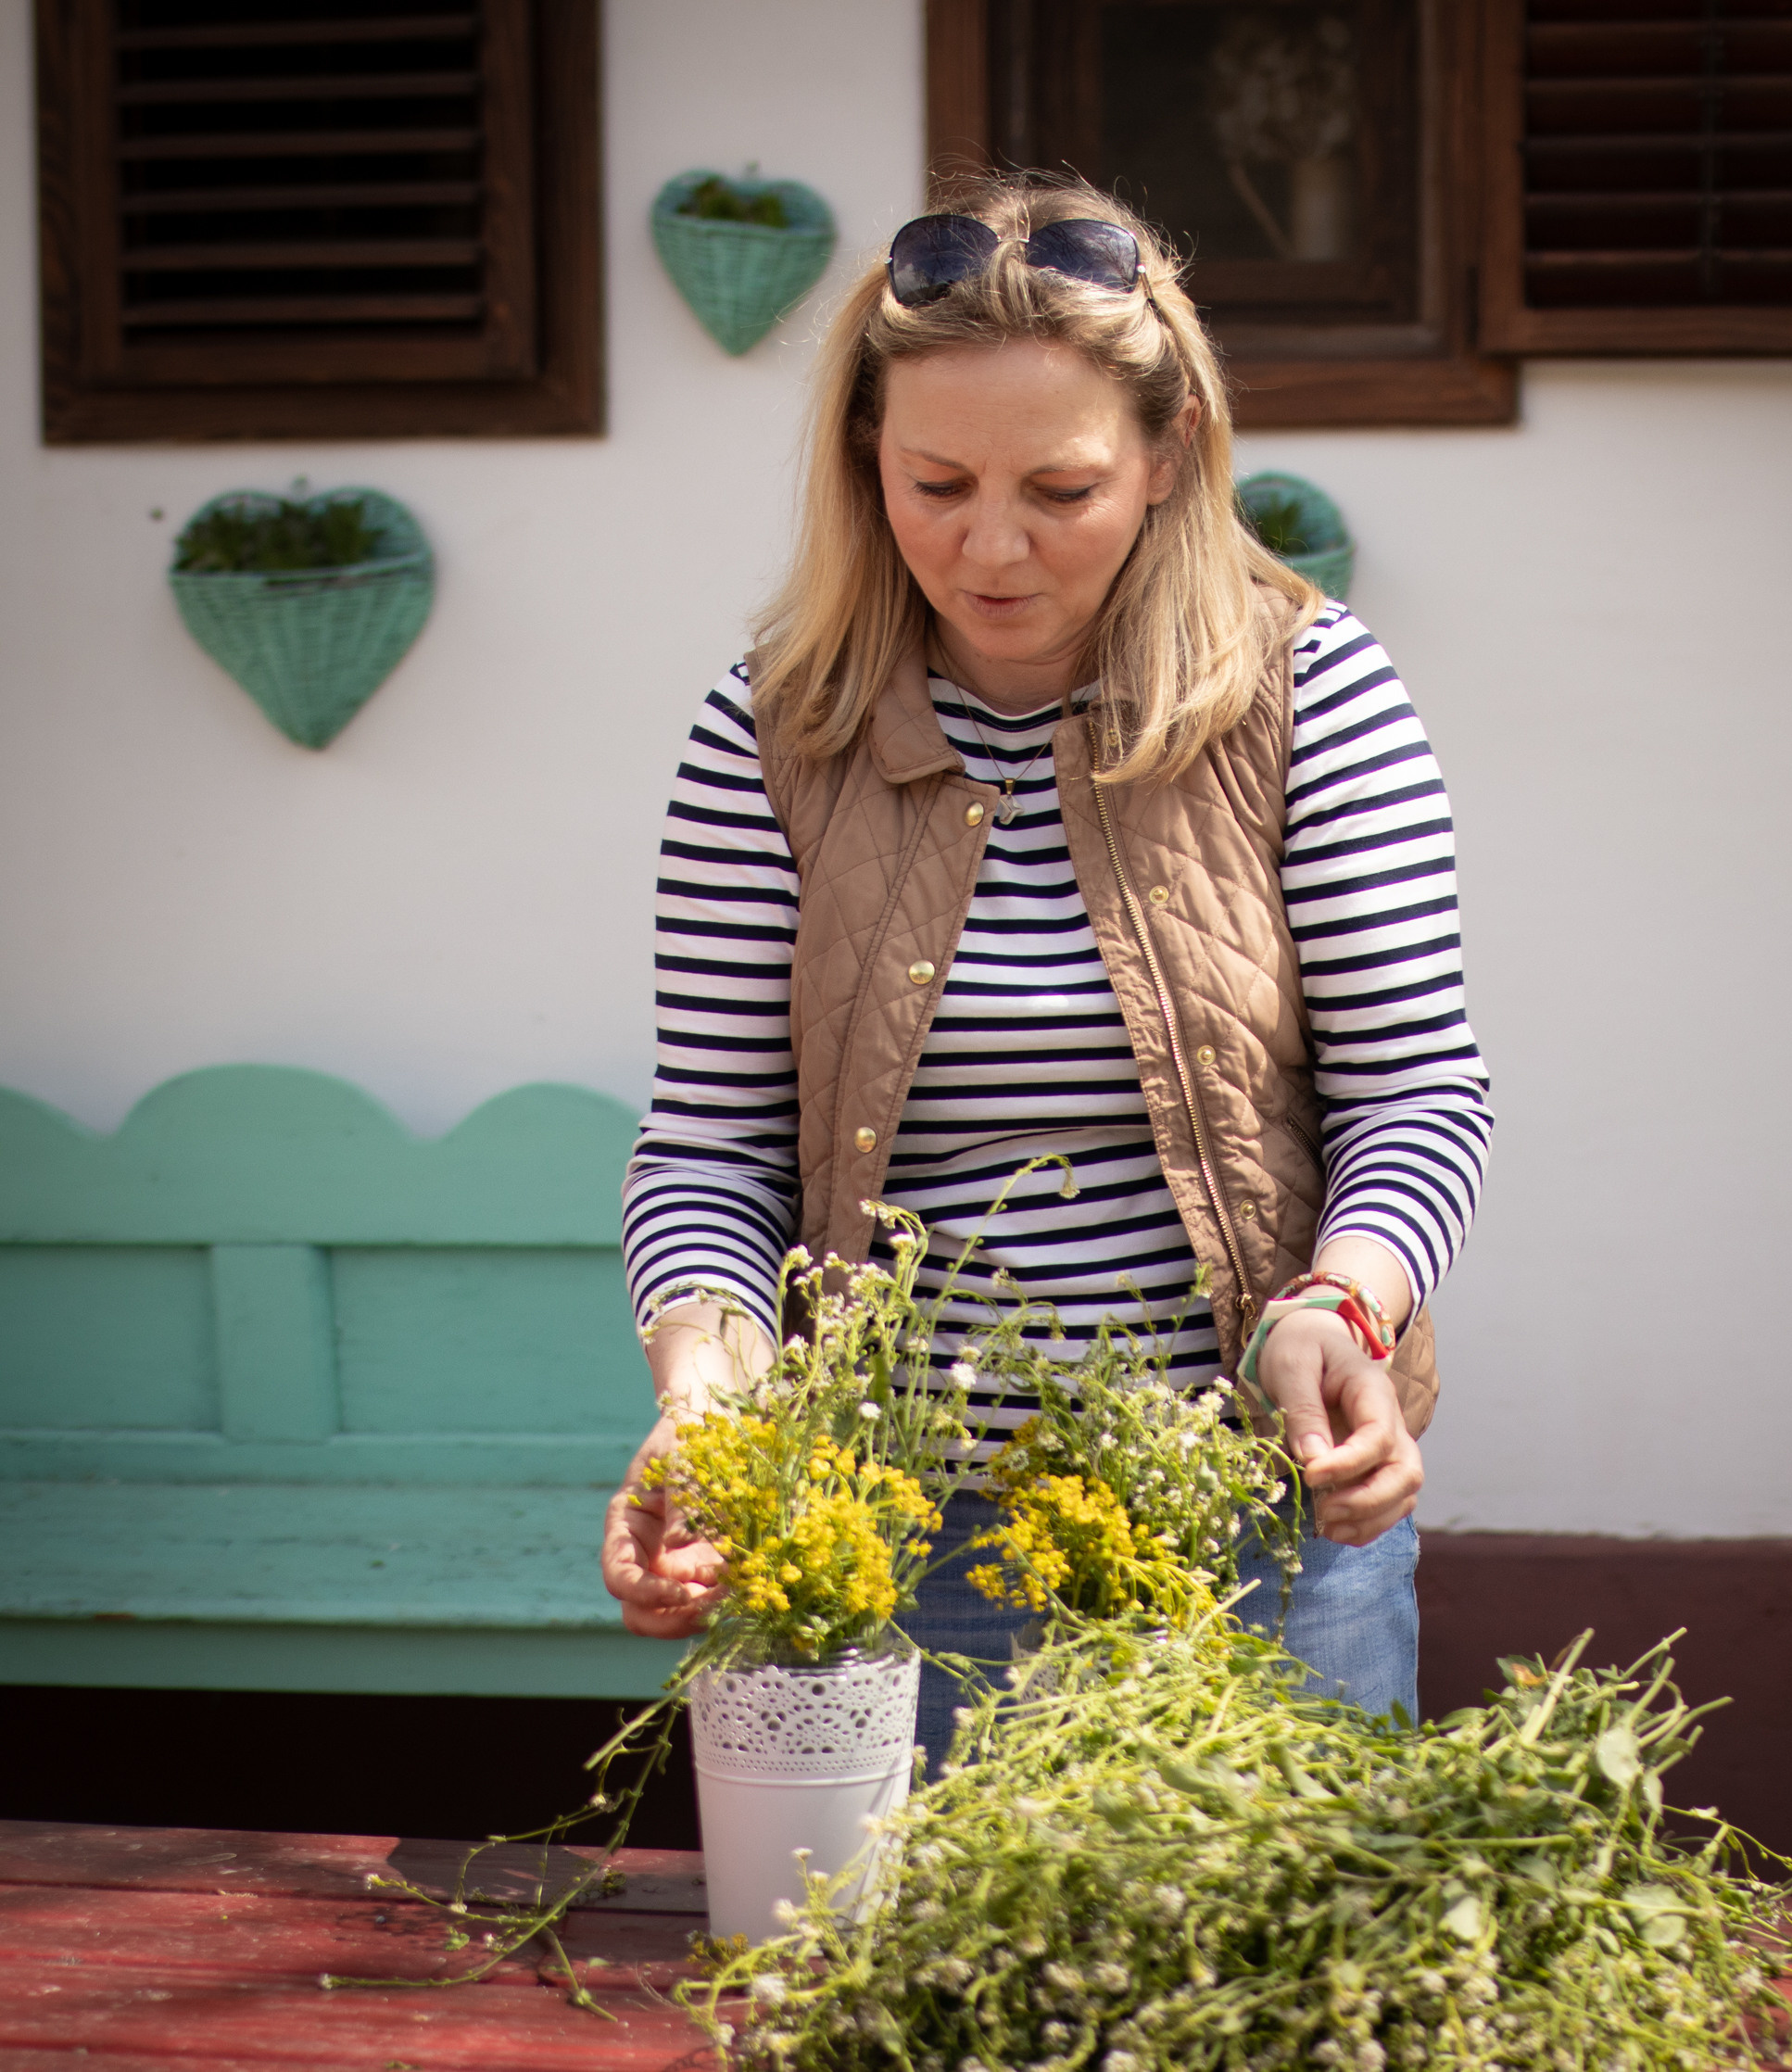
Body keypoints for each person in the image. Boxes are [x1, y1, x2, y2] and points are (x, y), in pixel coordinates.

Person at [599, 173, 1492, 1764]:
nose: (987, 545)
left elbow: (1415, 1096)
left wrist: (1342, 1310)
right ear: (863, 460)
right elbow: (712, 1148)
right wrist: (703, 1393)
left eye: (1059, 490)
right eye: (932, 480)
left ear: (1169, 459)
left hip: (1251, 1526)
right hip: (888, 1542)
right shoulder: (774, 728)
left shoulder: (1310, 694)